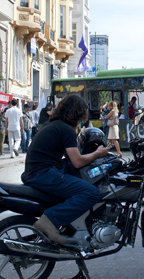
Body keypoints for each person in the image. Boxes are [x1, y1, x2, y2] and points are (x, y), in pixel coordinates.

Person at [21, 95, 110, 244]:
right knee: (91, 192)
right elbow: (77, 162)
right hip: (44, 174)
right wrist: (97, 154)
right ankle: (50, 221)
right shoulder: (66, 129)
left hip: (37, 172)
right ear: (78, 113)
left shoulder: (52, 125)